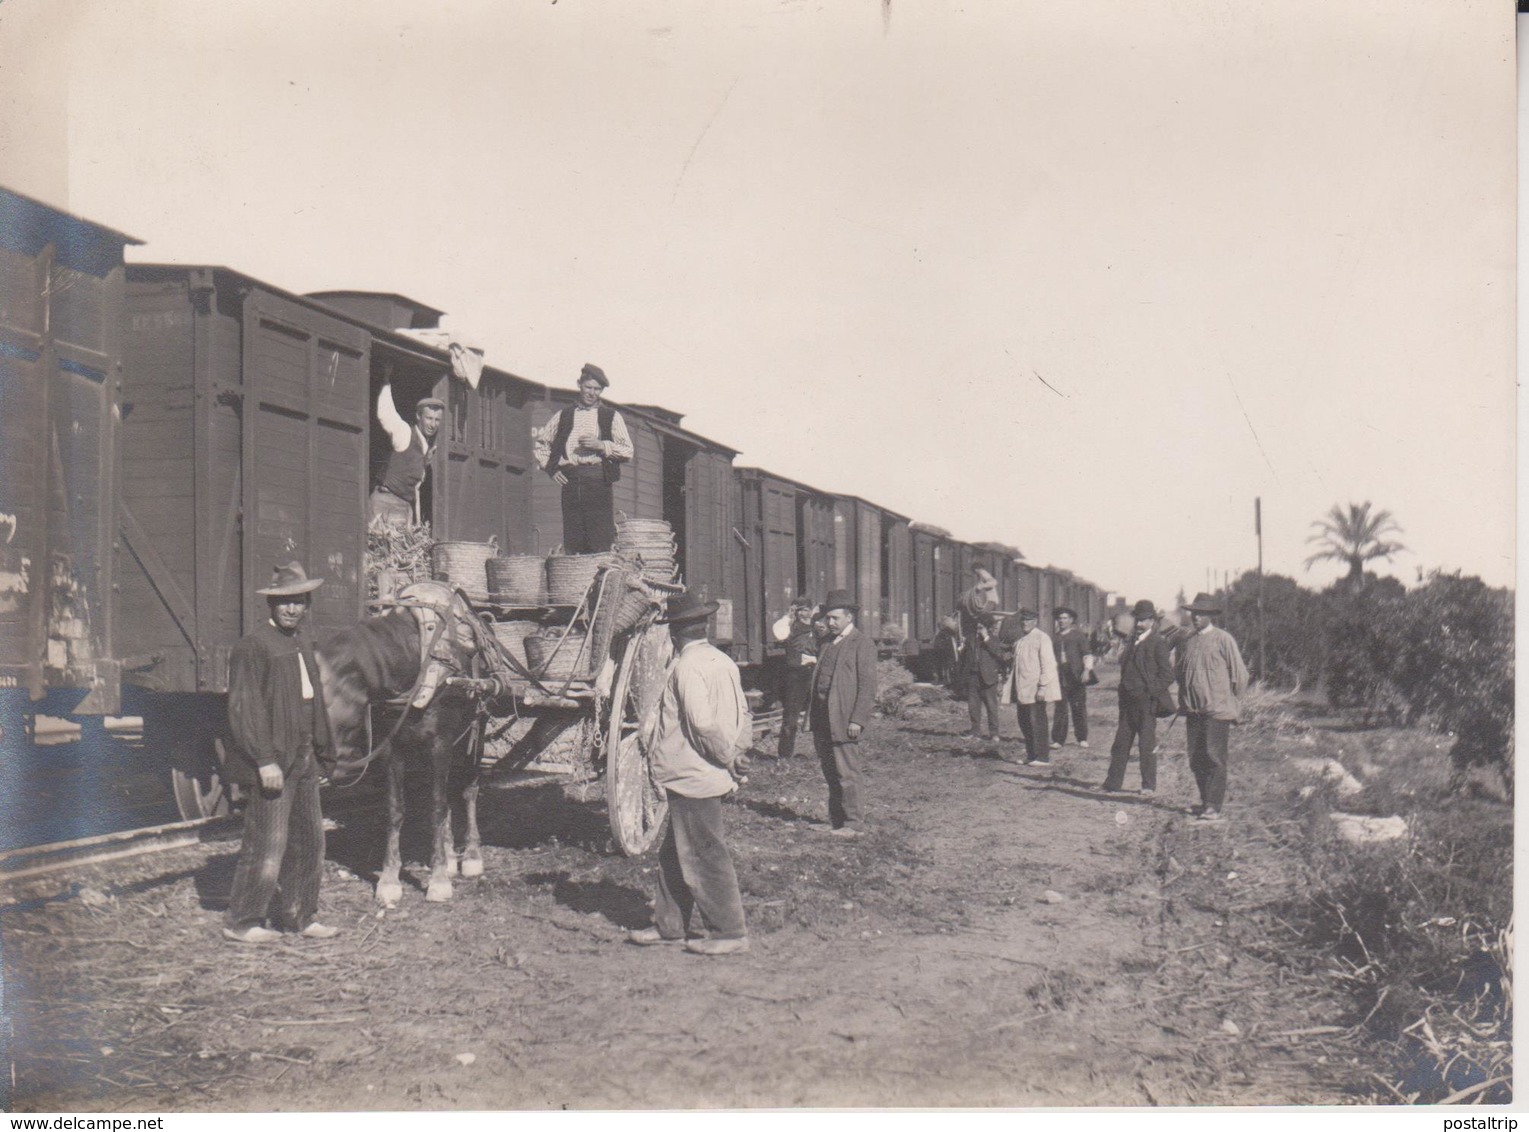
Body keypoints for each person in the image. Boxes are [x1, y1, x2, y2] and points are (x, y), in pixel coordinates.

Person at [628, 590, 752, 955]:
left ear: (673, 633)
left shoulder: (685, 667)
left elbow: (701, 723)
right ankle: (670, 926)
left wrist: (727, 755)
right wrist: (739, 751)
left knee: (704, 853)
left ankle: (729, 932)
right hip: (704, 772)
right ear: (704, 627)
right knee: (675, 851)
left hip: (694, 774)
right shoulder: (723, 662)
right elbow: (744, 714)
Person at [222, 562, 339, 944]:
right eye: (284, 602)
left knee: (310, 840)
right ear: (271, 605)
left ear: (307, 605)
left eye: (299, 602)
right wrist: (263, 760)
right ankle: (242, 921)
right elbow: (245, 707)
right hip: (274, 758)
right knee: (268, 841)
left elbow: (315, 702)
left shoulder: (302, 643)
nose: (292, 609)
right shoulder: (253, 646)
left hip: (304, 754)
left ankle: (300, 916)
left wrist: (323, 752)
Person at [532, 363, 635, 554]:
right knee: (573, 538)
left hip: (598, 480)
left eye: (597, 389)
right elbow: (542, 444)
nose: (592, 393)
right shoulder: (563, 415)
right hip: (571, 481)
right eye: (588, 387)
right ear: (579, 385)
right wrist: (551, 469)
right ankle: (576, 579)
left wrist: (602, 446)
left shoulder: (611, 416)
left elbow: (628, 451)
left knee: (600, 539)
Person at [1175, 592, 1250, 823]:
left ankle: (1214, 807)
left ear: (1210, 616)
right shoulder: (1188, 640)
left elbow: (1240, 675)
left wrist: (1230, 703)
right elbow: (1180, 673)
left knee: (1214, 757)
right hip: (1193, 711)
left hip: (1217, 711)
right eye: (1194, 613)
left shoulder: (1223, 639)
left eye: (1201, 614)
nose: (1196, 617)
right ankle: (1205, 801)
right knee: (1196, 759)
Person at [810, 589, 879, 837]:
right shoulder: (828, 643)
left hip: (844, 719)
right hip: (822, 719)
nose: (830, 622)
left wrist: (857, 719)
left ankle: (853, 824)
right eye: (828, 618)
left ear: (849, 617)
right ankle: (836, 820)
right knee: (830, 772)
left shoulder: (862, 644)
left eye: (835, 618)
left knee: (847, 772)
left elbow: (868, 686)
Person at [1100, 599, 1175, 796]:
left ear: (1152, 621)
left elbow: (1167, 675)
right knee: (1120, 744)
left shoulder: (1158, 642)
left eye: (1143, 620)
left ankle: (1148, 785)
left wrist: (1151, 693)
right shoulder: (1132, 641)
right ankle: (1112, 783)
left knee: (1146, 745)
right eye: (1137, 620)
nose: (1139, 624)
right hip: (1127, 701)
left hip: (1146, 702)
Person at [371, 381, 444, 527]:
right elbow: (385, 415)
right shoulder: (404, 433)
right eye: (429, 418)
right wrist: (386, 381)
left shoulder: (428, 446)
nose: (433, 424)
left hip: (405, 507)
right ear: (418, 416)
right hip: (385, 501)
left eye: (437, 420)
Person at [1006, 608, 1060, 765]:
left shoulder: (1042, 638)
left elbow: (1049, 664)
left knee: (1037, 722)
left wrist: (1042, 686)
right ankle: (1031, 755)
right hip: (1022, 689)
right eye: (1023, 620)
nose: (1025, 623)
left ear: (1035, 622)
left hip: (1035, 689)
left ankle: (1042, 757)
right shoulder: (1021, 640)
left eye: (1028, 620)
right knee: (1024, 722)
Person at [770, 595, 820, 758]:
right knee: (790, 719)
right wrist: (788, 616)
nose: (802, 614)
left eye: (805, 610)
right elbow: (779, 633)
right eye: (799, 610)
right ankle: (784, 756)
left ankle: (823, 754)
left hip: (815, 674)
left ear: (811, 611)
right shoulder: (790, 626)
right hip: (796, 677)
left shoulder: (817, 626)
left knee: (821, 715)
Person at [954, 568, 1000, 703]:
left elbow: (993, 582)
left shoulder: (978, 583)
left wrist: (981, 586)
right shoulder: (977, 589)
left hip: (980, 615)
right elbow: (992, 583)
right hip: (980, 615)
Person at [1050, 607, 1092, 749]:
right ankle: (1058, 739)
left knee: (1078, 706)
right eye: (1060, 618)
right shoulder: (1055, 637)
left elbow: (1087, 654)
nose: (1062, 621)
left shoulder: (1078, 636)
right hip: (1059, 675)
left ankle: (1082, 738)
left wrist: (1086, 671)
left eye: (1065, 618)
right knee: (1060, 707)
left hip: (1076, 675)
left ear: (1071, 620)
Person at [965, 610, 1008, 745]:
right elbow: (964, 657)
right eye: (977, 627)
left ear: (987, 627)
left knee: (991, 706)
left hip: (988, 677)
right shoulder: (971, 639)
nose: (978, 630)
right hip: (973, 676)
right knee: (973, 707)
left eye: (981, 627)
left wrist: (986, 639)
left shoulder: (993, 640)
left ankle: (994, 734)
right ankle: (975, 732)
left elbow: (1000, 655)